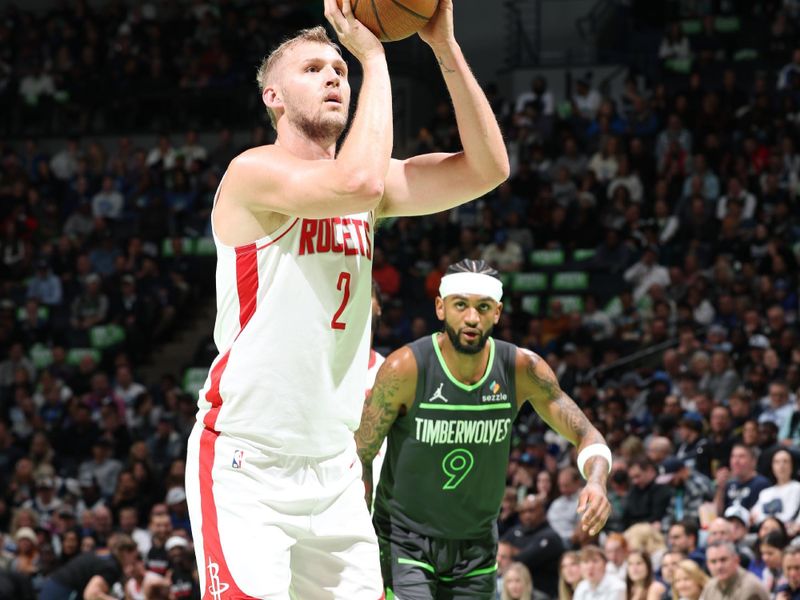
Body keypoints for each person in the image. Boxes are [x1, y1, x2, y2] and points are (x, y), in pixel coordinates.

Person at [184, 0, 510, 596]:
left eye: (340, 67)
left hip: (333, 471)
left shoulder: (368, 187)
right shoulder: (253, 173)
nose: (335, 75)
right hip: (247, 462)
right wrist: (374, 56)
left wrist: (443, 45)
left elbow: (488, 169)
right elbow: (355, 181)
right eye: (313, 69)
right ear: (272, 99)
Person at [355, 260, 611, 598]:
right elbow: (363, 452)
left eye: (483, 307)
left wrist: (596, 481)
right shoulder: (406, 368)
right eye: (461, 305)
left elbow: (586, 433)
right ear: (440, 308)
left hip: (476, 544)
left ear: (497, 313)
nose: (472, 318)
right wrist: (360, 532)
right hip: (406, 539)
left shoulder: (521, 368)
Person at [39, 533, 139, 600]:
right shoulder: (112, 566)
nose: (135, 561)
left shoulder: (103, 552)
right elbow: (91, 594)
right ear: (126, 552)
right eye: (135, 557)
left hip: (52, 585)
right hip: (63, 593)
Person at [701, 541, 769, 600]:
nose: (719, 566)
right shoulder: (710, 586)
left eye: (723, 560)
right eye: (713, 562)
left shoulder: (750, 587)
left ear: (736, 560)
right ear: (708, 565)